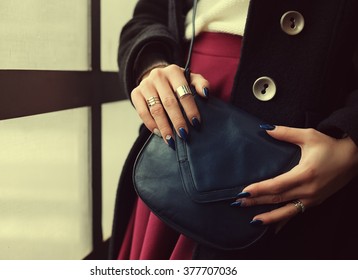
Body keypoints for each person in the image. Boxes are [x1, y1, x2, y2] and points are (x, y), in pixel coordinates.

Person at [109, 0, 358, 260]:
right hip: (189, 110)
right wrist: (152, 65)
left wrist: (352, 144)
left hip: (315, 139)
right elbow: (150, 13)